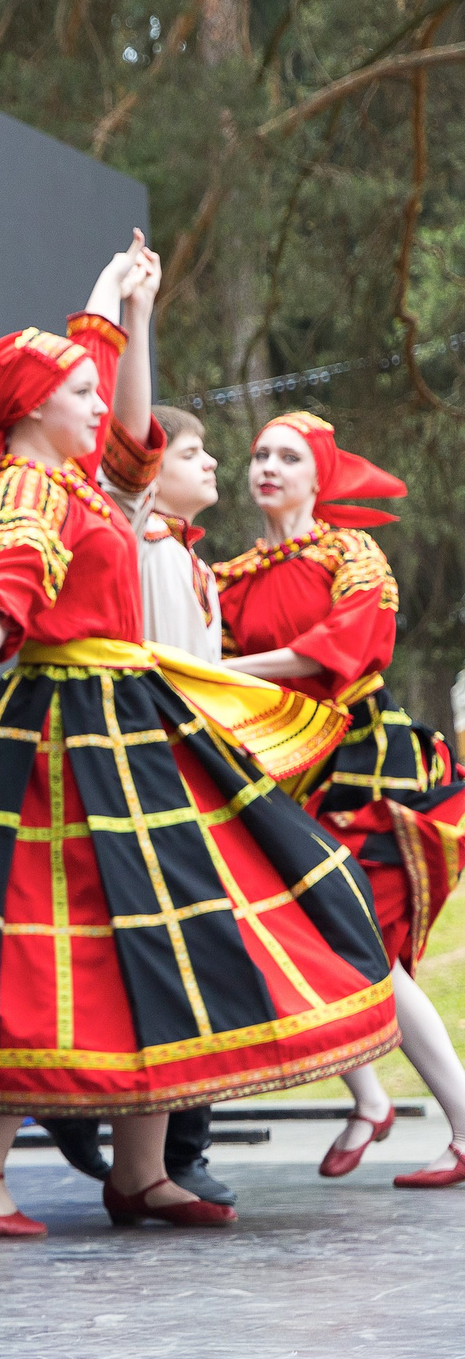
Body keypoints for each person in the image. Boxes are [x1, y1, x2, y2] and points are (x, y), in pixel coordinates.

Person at [0, 239, 397, 1238]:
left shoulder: (84, 472)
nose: (99, 402)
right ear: (31, 408)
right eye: (77, 391)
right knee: (51, 937)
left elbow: (113, 399)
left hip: (128, 718)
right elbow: (8, 574)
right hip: (62, 728)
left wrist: (123, 300)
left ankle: (140, 1165)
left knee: (158, 925)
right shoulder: (27, 481)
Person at [215, 409, 465, 1187]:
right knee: (317, 940)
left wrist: (232, 668)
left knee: (368, 950)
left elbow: (345, 650)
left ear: (319, 478)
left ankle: (447, 1118)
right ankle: (370, 1100)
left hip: (365, 771)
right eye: (259, 455)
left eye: (287, 457)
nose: (268, 468)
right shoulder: (230, 576)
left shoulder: (353, 553)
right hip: (286, 781)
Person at [39, 402, 235, 1204]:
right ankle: (147, 1143)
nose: (210, 464)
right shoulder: (150, 552)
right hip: (161, 767)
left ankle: (159, 1150)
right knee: (160, 954)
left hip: (188, 764)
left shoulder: (189, 560)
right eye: (193, 452)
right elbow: (160, 667)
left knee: (176, 956)